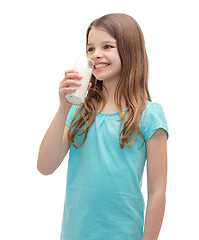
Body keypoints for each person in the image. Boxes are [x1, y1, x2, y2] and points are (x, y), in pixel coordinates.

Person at [37, 13, 169, 240]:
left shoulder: (149, 115)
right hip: (75, 234)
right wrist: (63, 108)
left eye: (107, 46)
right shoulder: (78, 111)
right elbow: (45, 166)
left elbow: (157, 192)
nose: (96, 54)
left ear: (130, 50)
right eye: (90, 49)